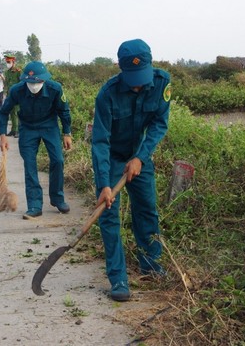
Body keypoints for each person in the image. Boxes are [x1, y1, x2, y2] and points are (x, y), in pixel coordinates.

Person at [91, 39, 171, 302]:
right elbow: (100, 142)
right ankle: (118, 278)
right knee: (109, 214)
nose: (137, 85)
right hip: (112, 157)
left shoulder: (161, 83)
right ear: (120, 69)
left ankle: (150, 264)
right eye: (132, 79)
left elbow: (159, 123)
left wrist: (140, 157)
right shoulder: (107, 94)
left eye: (141, 78)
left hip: (139, 155)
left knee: (147, 209)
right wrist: (104, 183)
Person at [0, 61, 72, 219]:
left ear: (44, 80)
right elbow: (3, 112)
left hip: (49, 126)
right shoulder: (17, 90)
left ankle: (57, 199)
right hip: (28, 128)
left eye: (37, 82)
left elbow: (64, 111)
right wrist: (3, 135)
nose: (33, 85)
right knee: (30, 164)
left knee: (58, 160)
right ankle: (34, 204)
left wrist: (67, 133)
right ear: (24, 80)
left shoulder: (55, 89)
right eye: (29, 82)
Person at [2, 55, 21, 137]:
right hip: (9, 95)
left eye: (9, 62)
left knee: (16, 112)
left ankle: (17, 130)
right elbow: (6, 82)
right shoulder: (7, 72)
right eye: (7, 62)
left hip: (17, 95)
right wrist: (5, 91)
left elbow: (22, 83)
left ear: (13, 62)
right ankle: (13, 130)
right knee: (12, 112)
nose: (8, 64)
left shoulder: (18, 71)